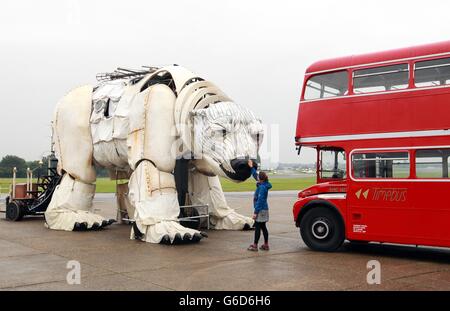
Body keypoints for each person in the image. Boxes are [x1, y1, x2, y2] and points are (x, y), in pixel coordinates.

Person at [247, 159, 272, 251]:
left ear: (260, 179)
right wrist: (251, 167)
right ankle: (266, 245)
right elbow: (255, 175)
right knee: (263, 227)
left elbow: (260, 201)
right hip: (265, 209)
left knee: (257, 227)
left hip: (260, 210)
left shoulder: (261, 188)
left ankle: (255, 245)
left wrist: (255, 212)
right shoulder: (265, 184)